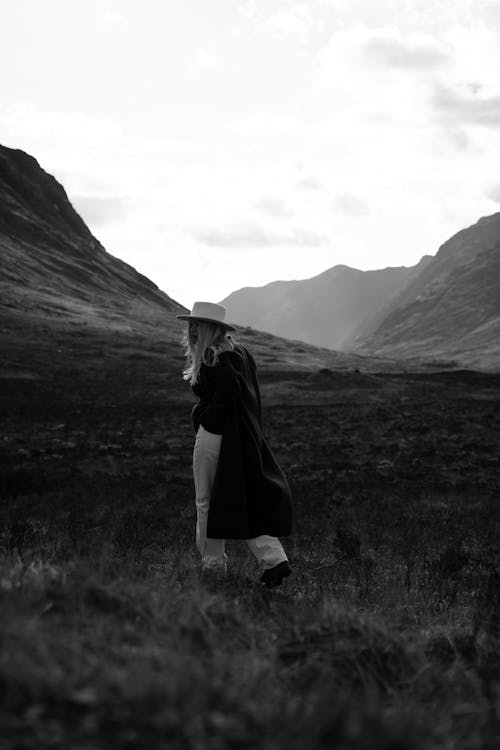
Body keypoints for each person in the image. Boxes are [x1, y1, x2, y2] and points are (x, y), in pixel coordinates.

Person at [177, 301, 293, 587]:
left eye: (197, 326)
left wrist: (205, 417)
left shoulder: (214, 356)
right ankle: (274, 560)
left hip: (215, 437)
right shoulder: (239, 353)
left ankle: (214, 566)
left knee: (205, 501)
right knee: (243, 496)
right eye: (191, 325)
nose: (192, 331)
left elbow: (228, 391)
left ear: (210, 329)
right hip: (238, 437)